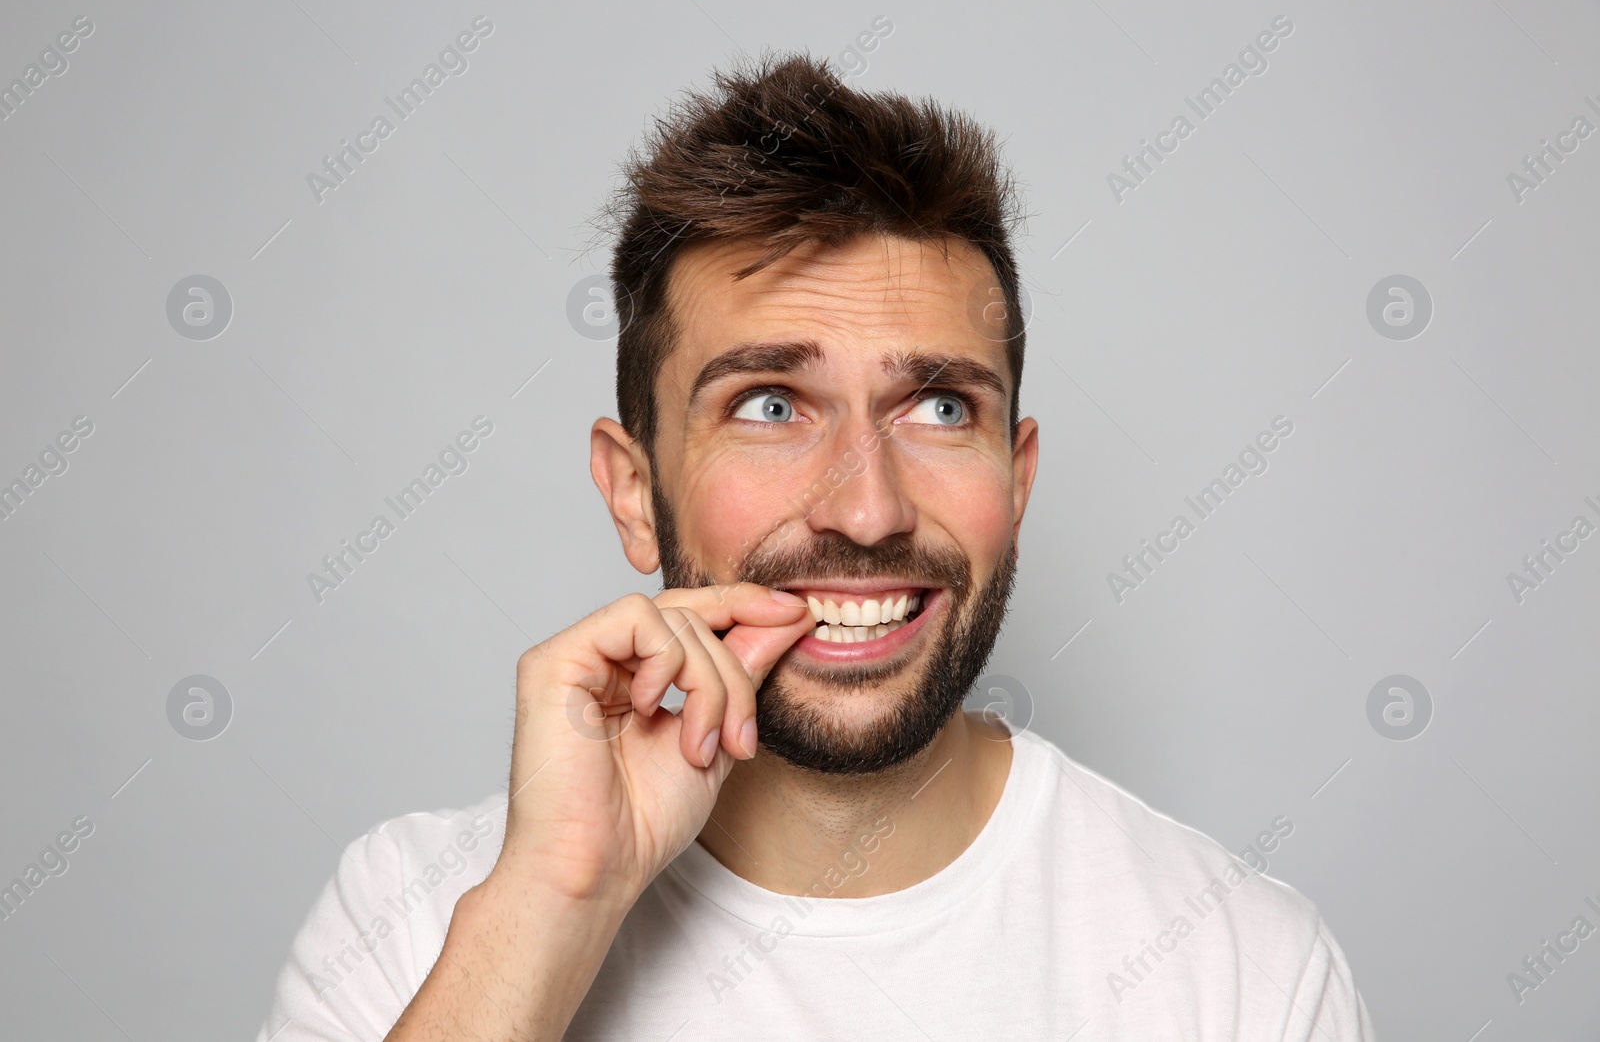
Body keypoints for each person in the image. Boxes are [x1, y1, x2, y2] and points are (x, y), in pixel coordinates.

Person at [256, 52, 1374, 1041]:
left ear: (1016, 480)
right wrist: (560, 897)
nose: (868, 509)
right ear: (635, 490)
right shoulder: (414, 922)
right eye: (771, 404)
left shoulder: (1242, 969)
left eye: (938, 409)